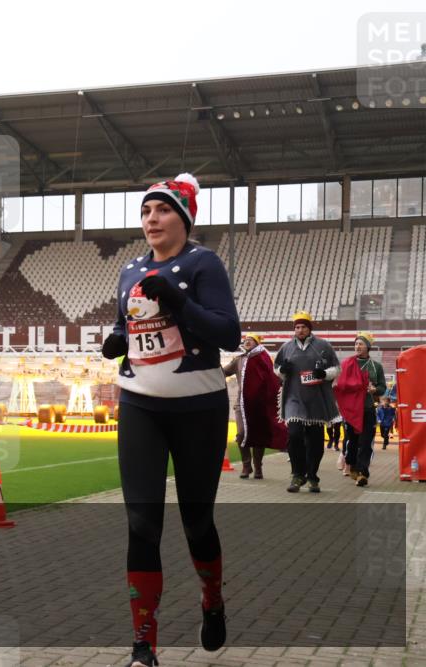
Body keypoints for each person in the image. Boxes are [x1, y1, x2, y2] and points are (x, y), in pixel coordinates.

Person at [101, 173, 240, 667]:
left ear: (183, 218)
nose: (151, 220)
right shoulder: (129, 270)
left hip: (198, 408)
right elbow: (129, 325)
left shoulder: (205, 263)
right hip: (139, 404)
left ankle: (212, 599)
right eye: (145, 212)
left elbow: (228, 334)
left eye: (161, 211)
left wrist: (178, 300)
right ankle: (144, 645)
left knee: (197, 522)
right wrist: (116, 340)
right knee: (142, 524)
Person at [274, 311, 341, 494]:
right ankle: (297, 474)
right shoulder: (286, 347)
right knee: (294, 434)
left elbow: (336, 367)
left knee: (315, 442)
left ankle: (312, 476)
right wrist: (282, 370)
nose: (300, 330)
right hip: (293, 398)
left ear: (309, 328)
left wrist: (325, 374)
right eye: (297, 327)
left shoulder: (323, 346)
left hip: (316, 399)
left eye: (303, 327)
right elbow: (276, 368)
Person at [222, 334, 286, 479]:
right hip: (241, 404)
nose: (247, 342)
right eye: (245, 341)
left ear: (257, 343)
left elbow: (274, 379)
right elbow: (223, 373)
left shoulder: (264, 359)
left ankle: (258, 467)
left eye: (250, 340)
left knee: (259, 435)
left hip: (260, 405)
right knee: (241, 433)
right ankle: (246, 465)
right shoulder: (238, 360)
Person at [336, 333, 386, 486]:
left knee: (366, 442)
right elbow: (340, 385)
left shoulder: (376, 366)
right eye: (356, 344)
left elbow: (382, 388)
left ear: (368, 347)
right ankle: (351, 464)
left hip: (368, 409)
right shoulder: (346, 364)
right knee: (352, 442)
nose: (357, 346)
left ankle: (362, 472)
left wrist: (374, 390)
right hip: (351, 410)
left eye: (361, 344)